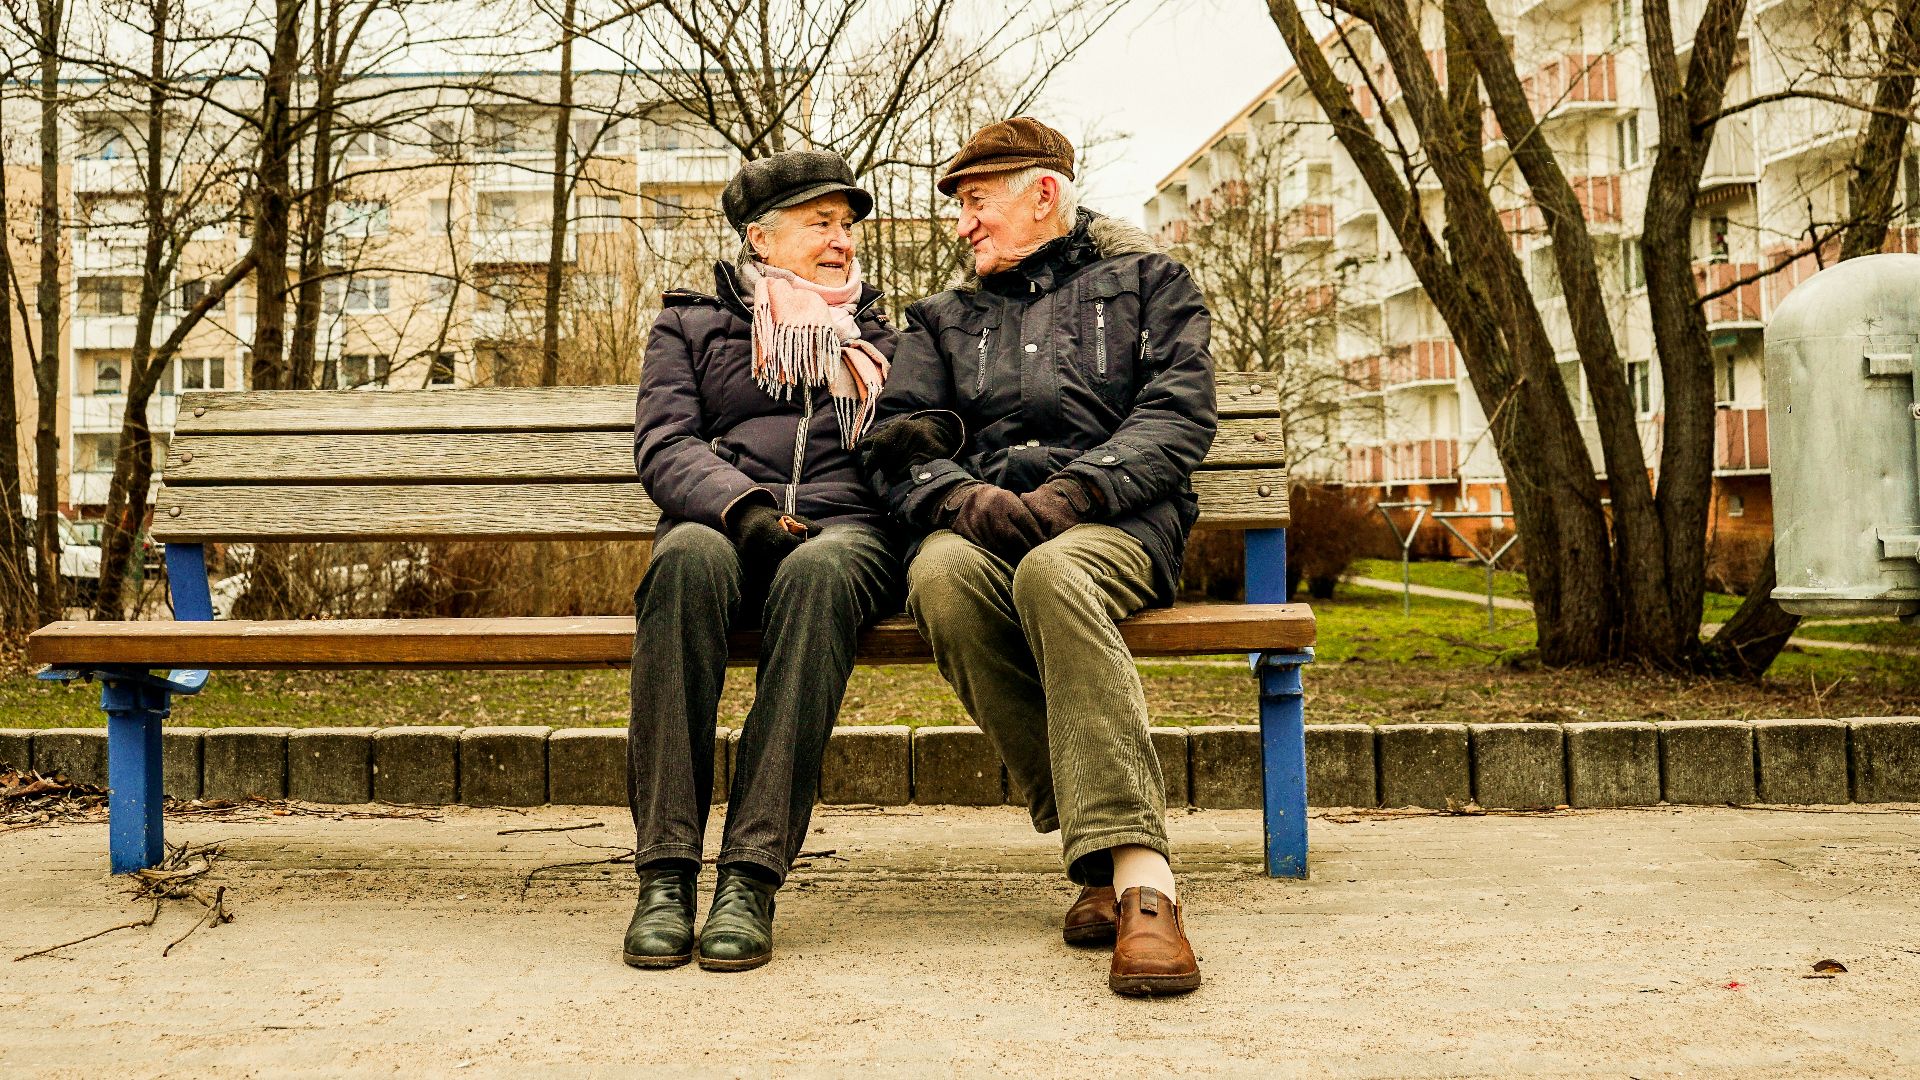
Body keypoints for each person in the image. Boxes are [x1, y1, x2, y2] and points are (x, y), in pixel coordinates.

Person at [857, 117, 1217, 996]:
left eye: (977, 202)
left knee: (1052, 573)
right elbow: (901, 440)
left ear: (1043, 193)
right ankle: (1100, 853)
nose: (962, 223)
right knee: (938, 576)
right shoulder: (940, 321)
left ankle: (1142, 887)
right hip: (990, 524)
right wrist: (959, 499)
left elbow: (1176, 418)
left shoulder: (1151, 285)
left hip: (1117, 523)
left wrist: (1075, 494)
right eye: (959, 208)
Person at [625, 150, 900, 972]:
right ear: (761, 237)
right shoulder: (691, 324)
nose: (842, 240)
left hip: (844, 532)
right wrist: (742, 508)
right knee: (683, 564)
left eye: (847, 225)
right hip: (727, 520)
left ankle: (750, 876)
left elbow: (912, 440)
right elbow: (664, 443)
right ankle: (665, 873)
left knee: (819, 575)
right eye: (822, 223)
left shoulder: (883, 336)